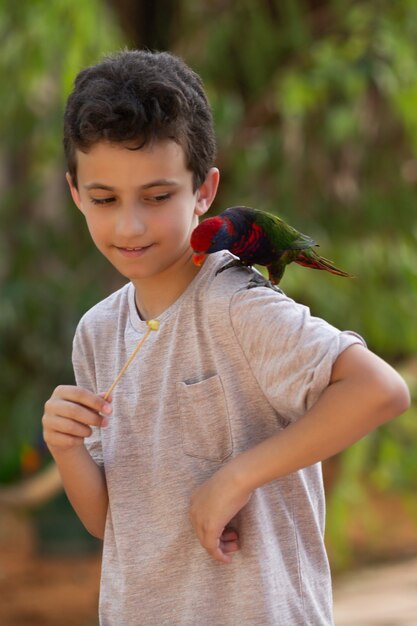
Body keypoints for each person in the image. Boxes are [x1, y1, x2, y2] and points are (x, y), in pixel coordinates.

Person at [42, 49, 410, 626]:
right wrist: (66, 448)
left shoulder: (236, 305)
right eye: (105, 199)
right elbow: (111, 519)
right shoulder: (97, 332)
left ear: (205, 191)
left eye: (158, 197)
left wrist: (236, 476)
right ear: (75, 193)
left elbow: (379, 390)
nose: (130, 225)